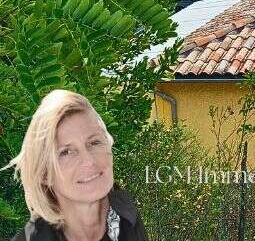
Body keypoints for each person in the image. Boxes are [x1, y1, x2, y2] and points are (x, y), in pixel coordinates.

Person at [4, 90, 148, 241]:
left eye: (94, 142)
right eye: (66, 152)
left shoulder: (126, 217)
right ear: (44, 174)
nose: (89, 161)